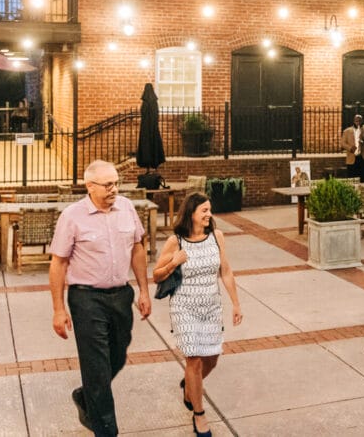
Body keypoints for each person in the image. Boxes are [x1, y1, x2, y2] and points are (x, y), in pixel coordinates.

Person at [49, 160, 151, 436]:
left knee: (116, 356)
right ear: (89, 186)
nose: (114, 189)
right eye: (107, 185)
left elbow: (138, 248)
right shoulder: (72, 216)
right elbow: (58, 264)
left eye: (116, 183)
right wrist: (58, 310)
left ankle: (85, 396)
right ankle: (106, 430)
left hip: (121, 296)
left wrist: (143, 290)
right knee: (95, 367)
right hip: (86, 299)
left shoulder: (127, 208)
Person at [152, 192, 242, 437]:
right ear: (191, 212)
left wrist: (235, 303)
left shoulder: (217, 237)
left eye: (209, 210)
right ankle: (199, 415)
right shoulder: (176, 242)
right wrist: (174, 262)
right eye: (204, 210)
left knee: (212, 358)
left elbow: (226, 271)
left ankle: (188, 386)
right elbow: (157, 275)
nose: (209, 215)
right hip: (184, 307)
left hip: (211, 306)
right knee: (194, 359)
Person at [341, 114, 364, 182]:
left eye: (359, 120)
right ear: (353, 121)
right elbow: (343, 143)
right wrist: (350, 148)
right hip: (352, 157)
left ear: (362, 121)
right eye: (356, 121)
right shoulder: (347, 131)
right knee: (352, 178)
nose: (358, 122)